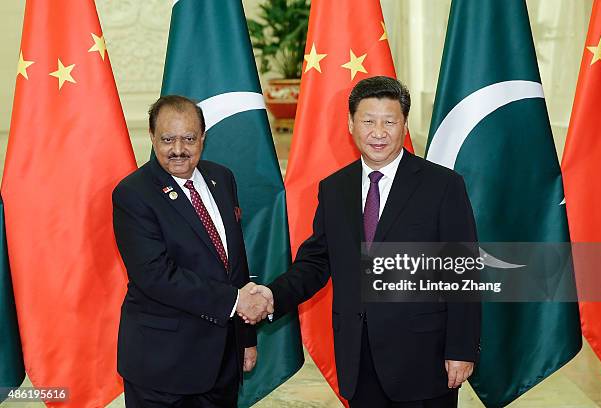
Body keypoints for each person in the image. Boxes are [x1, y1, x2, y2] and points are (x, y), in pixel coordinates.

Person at [245, 76, 480, 407]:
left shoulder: (442, 185)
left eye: (389, 121)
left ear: (404, 125)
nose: (379, 132)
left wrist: (461, 348)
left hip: (423, 360)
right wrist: (271, 295)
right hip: (358, 357)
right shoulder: (334, 188)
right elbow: (316, 262)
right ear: (351, 124)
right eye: (368, 121)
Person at [112, 95, 272, 407]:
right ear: (152, 137)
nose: (178, 150)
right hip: (162, 367)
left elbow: (234, 262)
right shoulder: (133, 194)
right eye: (167, 139)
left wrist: (245, 339)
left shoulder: (221, 178)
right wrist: (237, 301)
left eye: (188, 138)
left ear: (203, 138)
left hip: (222, 361)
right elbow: (155, 276)